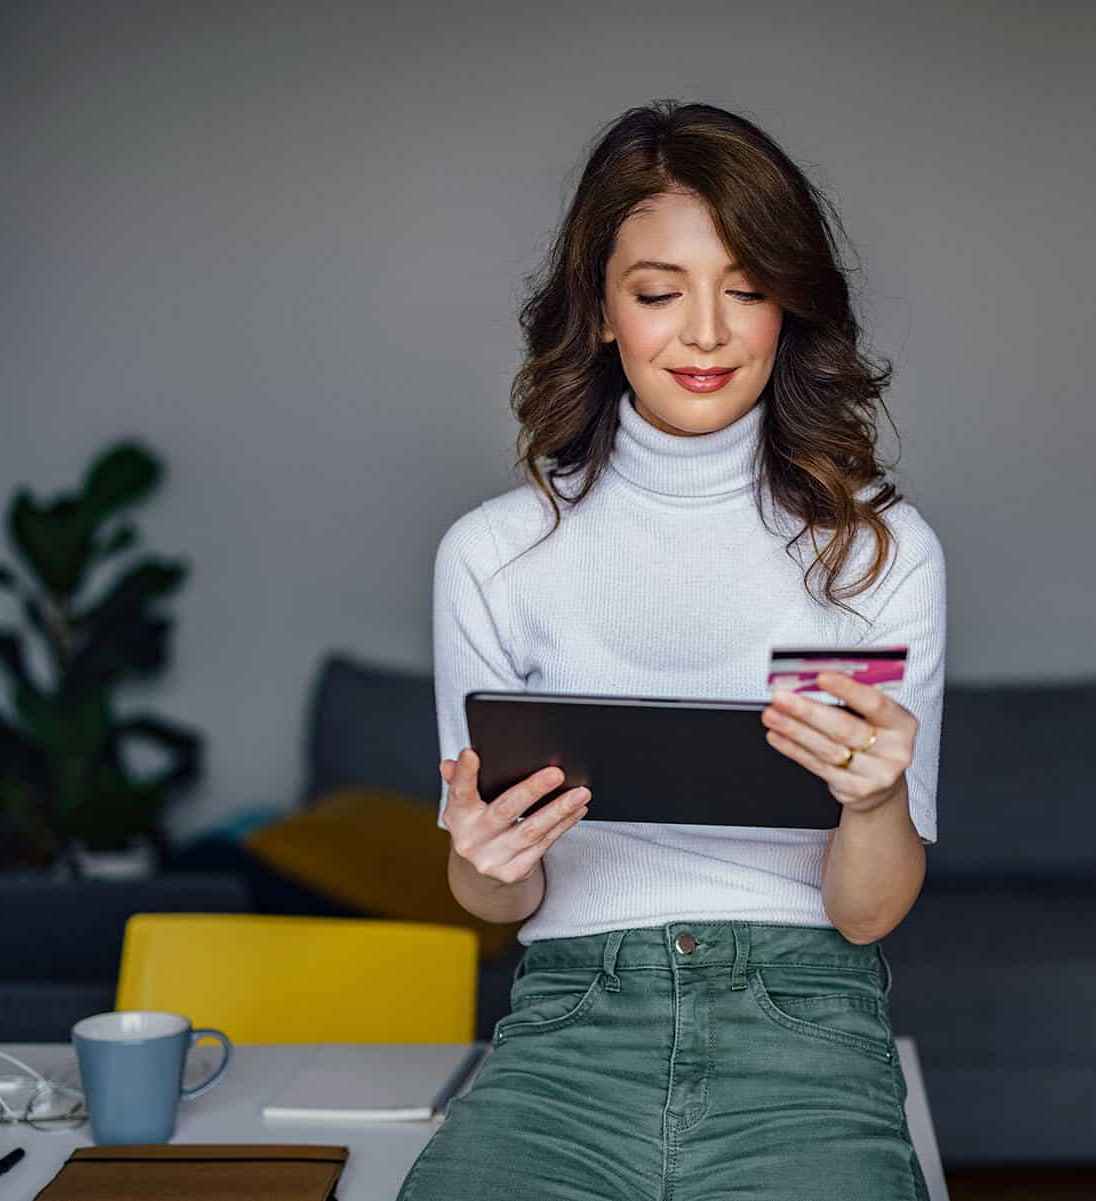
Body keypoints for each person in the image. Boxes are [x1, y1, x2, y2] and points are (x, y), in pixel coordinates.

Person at [396, 100, 946, 1201]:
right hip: (569, 1017)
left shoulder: (880, 550)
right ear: (600, 310)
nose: (707, 333)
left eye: (747, 289)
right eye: (659, 293)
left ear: (791, 307)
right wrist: (482, 858)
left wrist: (877, 803)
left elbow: (867, 912)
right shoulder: (493, 556)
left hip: (807, 1009)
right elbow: (495, 896)